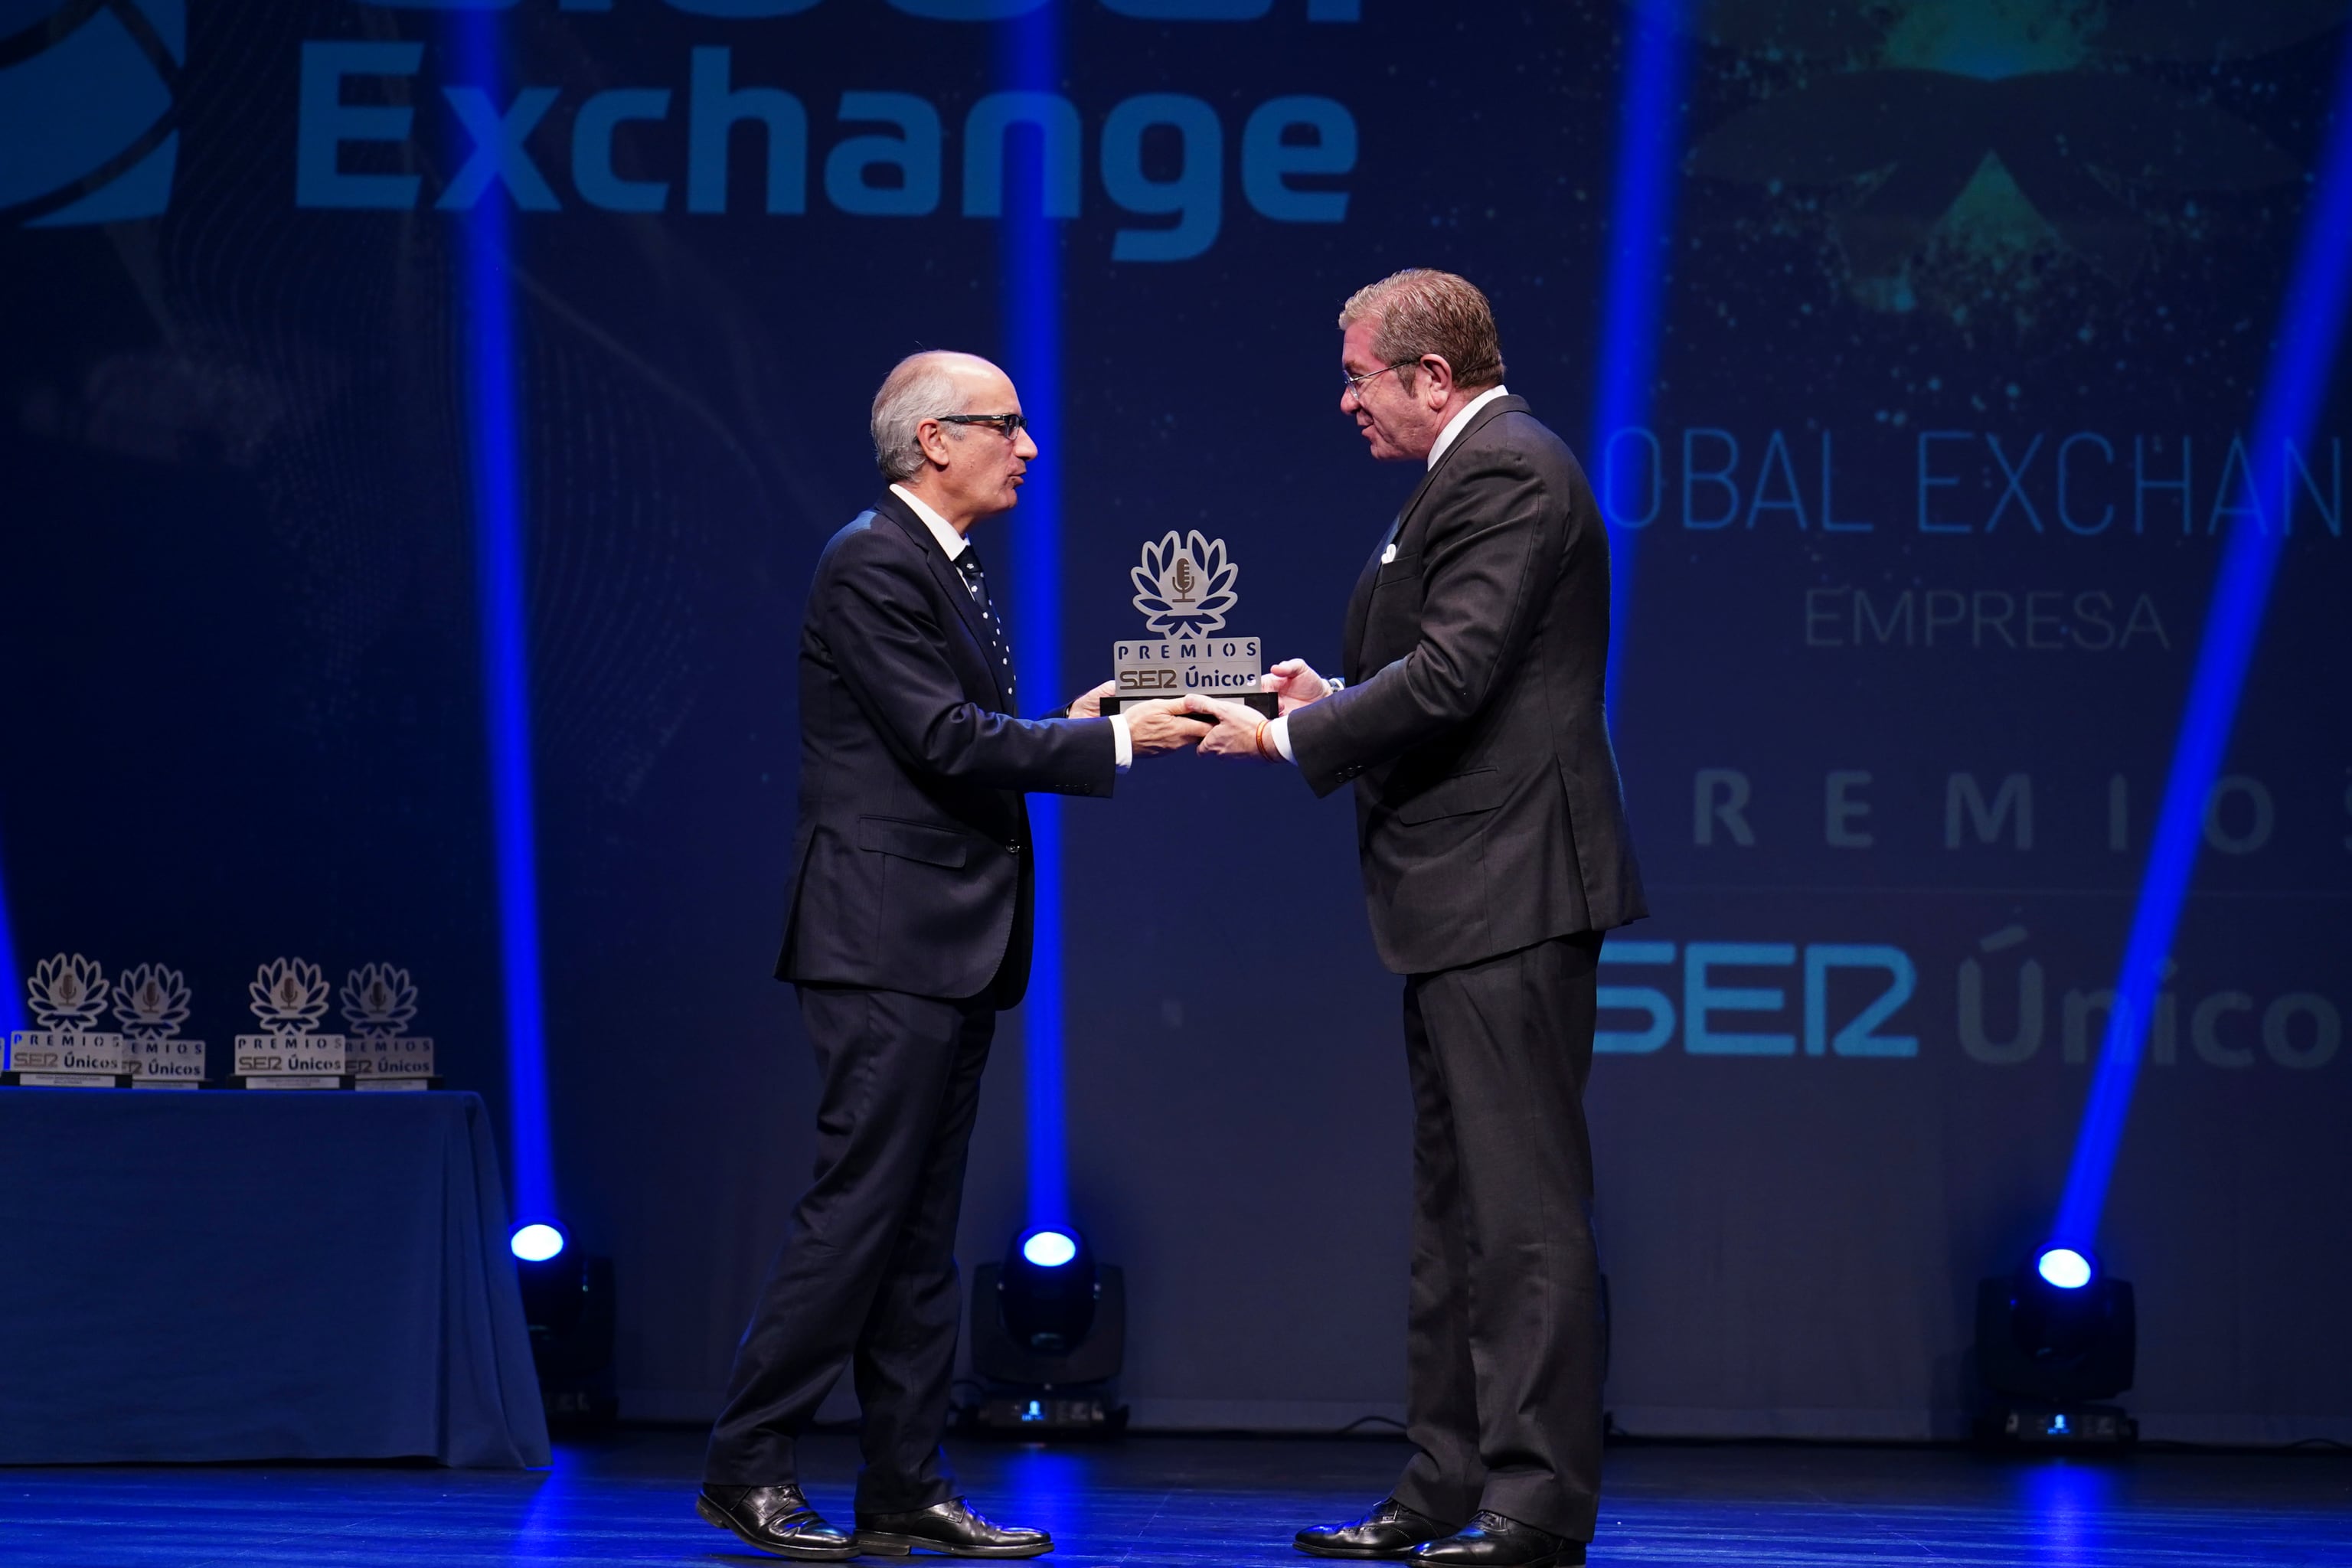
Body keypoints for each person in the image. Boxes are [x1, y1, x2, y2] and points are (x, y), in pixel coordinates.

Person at [698, 350, 1196, 1562]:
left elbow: (956, 736)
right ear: (934, 441)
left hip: (945, 945)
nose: (1030, 448)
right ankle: (746, 1462)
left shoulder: (941, 566)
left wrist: (1071, 727)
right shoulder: (873, 560)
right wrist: (1108, 745)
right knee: (859, 1213)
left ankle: (903, 1484)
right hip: (885, 941)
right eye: (1006, 426)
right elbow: (942, 739)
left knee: (919, 1234)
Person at [1187, 271, 1645, 1568]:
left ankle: (1534, 1505)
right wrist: (1333, 693)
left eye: (1358, 377)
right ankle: (1444, 1484)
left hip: (1511, 886)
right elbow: (1458, 668)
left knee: (1523, 1217)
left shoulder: (1507, 471)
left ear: (1430, 378)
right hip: (1462, 892)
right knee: (1455, 1215)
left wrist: (1289, 736)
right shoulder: (1468, 473)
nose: (1345, 401)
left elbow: (1454, 675)